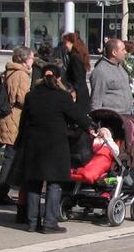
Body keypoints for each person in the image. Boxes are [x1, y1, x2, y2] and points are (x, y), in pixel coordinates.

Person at [13, 61, 97, 233]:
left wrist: (19, 143)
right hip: (55, 146)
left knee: (34, 183)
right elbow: (78, 116)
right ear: (58, 78)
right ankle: (49, 223)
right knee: (54, 184)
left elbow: (23, 122)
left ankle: (31, 222)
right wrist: (92, 126)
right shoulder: (62, 96)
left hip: (33, 144)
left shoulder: (31, 96)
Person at [0, 46, 34, 206]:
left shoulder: (6, 72)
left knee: (9, 157)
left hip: (4, 118)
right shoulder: (21, 75)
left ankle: (1, 191)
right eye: (31, 57)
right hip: (14, 120)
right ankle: (1, 192)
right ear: (24, 59)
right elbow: (23, 99)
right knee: (11, 158)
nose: (33, 60)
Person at [89, 38, 134, 114]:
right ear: (114, 52)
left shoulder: (120, 66)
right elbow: (96, 101)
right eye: (123, 50)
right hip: (112, 118)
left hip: (127, 115)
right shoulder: (101, 71)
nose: (125, 52)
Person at [60, 32, 92, 114]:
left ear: (72, 43)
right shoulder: (78, 56)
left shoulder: (75, 58)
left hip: (78, 94)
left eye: (65, 43)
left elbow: (78, 77)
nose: (64, 46)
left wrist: (73, 91)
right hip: (81, 92)